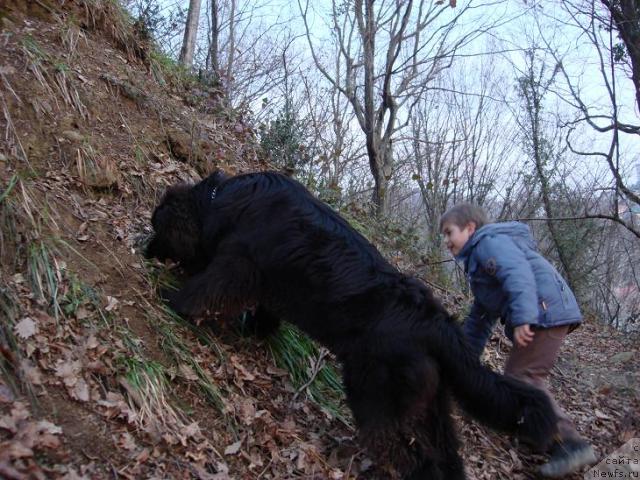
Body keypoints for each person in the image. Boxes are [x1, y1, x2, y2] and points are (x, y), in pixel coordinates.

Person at [439, 202, 596, 478]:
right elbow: (480, 318)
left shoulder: (489, 244)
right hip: (544, 310)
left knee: (523, 376)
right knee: (520, 376)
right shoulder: (480, 265)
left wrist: (524, 316)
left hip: (544, 310)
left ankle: (570, 443)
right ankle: (539, 430)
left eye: (449, 232)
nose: (446, 241)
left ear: (470, 228)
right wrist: (461, 360)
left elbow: (518, 274)